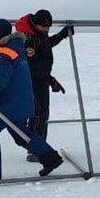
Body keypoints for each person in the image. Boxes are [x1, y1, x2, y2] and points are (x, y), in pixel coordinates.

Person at [0, 19, 63, 181]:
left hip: (6, 104)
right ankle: (51, 158)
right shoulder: (15, 48)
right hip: (19, 102)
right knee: (21, 133)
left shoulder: (1, 53)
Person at [14, 9, 73, 162]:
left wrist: (61, 35)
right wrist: (51, 80)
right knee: (38, 115)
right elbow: (33, 69)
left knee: (42, 114)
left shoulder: (38, 35)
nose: (47, 30)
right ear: (35, 24)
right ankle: (35, 150)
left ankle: (40, 148)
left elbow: (45, 45)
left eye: (49, 27)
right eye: (44, 27)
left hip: (41, 81)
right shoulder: (28, 39)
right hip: (33, 83)